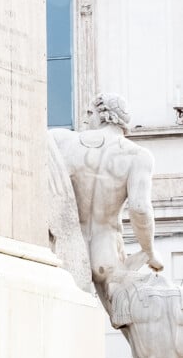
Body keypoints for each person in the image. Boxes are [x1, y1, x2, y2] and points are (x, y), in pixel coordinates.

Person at [49, 92, 163, 313]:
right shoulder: (138, 156)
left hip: (69, 249)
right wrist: (149, 251)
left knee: (63, 325)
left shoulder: (60, 140)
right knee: (134, 323)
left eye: (89, 113)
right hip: (107, 252)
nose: (85, 120)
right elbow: (140, 209)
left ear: (101, 116)